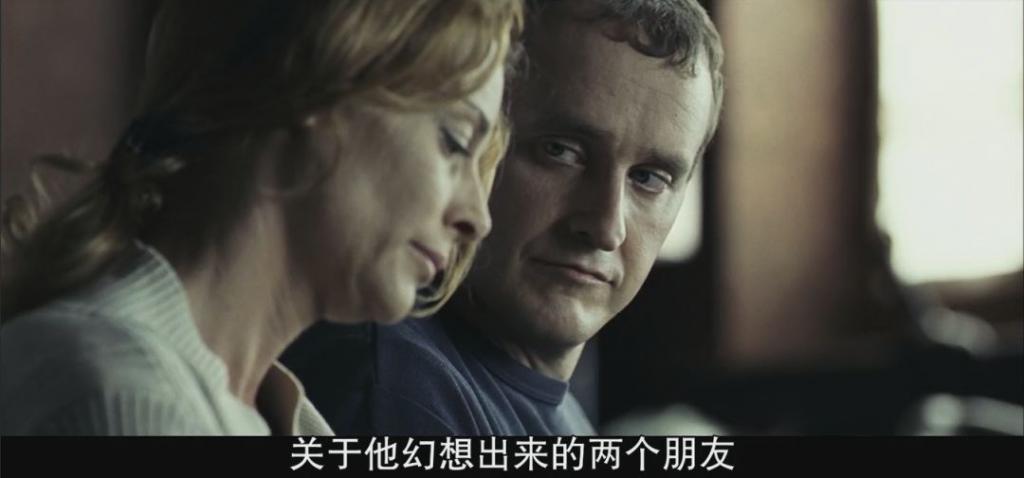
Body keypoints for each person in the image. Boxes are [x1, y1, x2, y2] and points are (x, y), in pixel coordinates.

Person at [0, 0, 522, 435]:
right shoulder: (128, 403)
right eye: (454, 141)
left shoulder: (279, 416)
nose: (478, 218)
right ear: (321, 80)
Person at [286, 0, 724, 435]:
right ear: (479, 137)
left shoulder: (553, 408)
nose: (606, 228)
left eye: (649, 178)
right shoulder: (398, 391)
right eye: (561, 152)